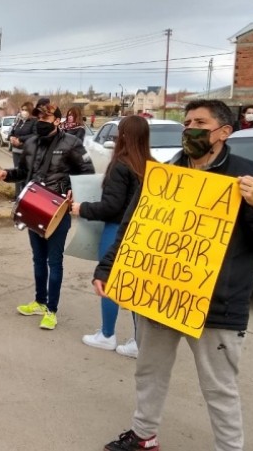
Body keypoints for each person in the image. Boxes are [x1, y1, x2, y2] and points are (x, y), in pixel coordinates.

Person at [95, 100, 253, 451]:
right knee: (149, 373)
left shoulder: (246, 175)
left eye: (200, 122)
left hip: (217, 307)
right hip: (158, 296)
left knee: (219, 388)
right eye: (187, 121)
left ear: (223, 132)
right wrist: (108, 267)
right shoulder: (166, 174)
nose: (189, 127)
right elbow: (133, 226)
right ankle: (143, 435)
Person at [0, 104, 94, 330]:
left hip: (57, 208)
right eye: (38, 116)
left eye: (47, 117)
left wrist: (73, 190)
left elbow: (87, 173)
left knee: (54, 260)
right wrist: (6, 174)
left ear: (58, 121)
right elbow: (21, 173)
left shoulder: (72, 143)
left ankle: (52, 310)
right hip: (33, 205)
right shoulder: (30, 142)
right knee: (38, 259)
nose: (41, 120)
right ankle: (40, 301)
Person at [71, 115, 153, 355]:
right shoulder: (153, 164)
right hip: (142, 233)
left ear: (124, 136)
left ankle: (107, 334)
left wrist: (82, 208)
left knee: (108, 283)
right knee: (137, 286)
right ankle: (140, 341)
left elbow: (112, 207)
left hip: (116, 230)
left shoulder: (120, 164)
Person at [7, 102, 37, 198]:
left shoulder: (34, 121)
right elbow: (12, 131)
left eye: (25, 110)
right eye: (22, 109)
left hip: (27, 152)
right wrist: (11, 137)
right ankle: (17, 195)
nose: (23, 112)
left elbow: (34, 135)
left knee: (25, 174)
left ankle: (25, 196)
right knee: (16, 172)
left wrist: (20, 140)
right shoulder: (19, 121)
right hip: (16, 151)